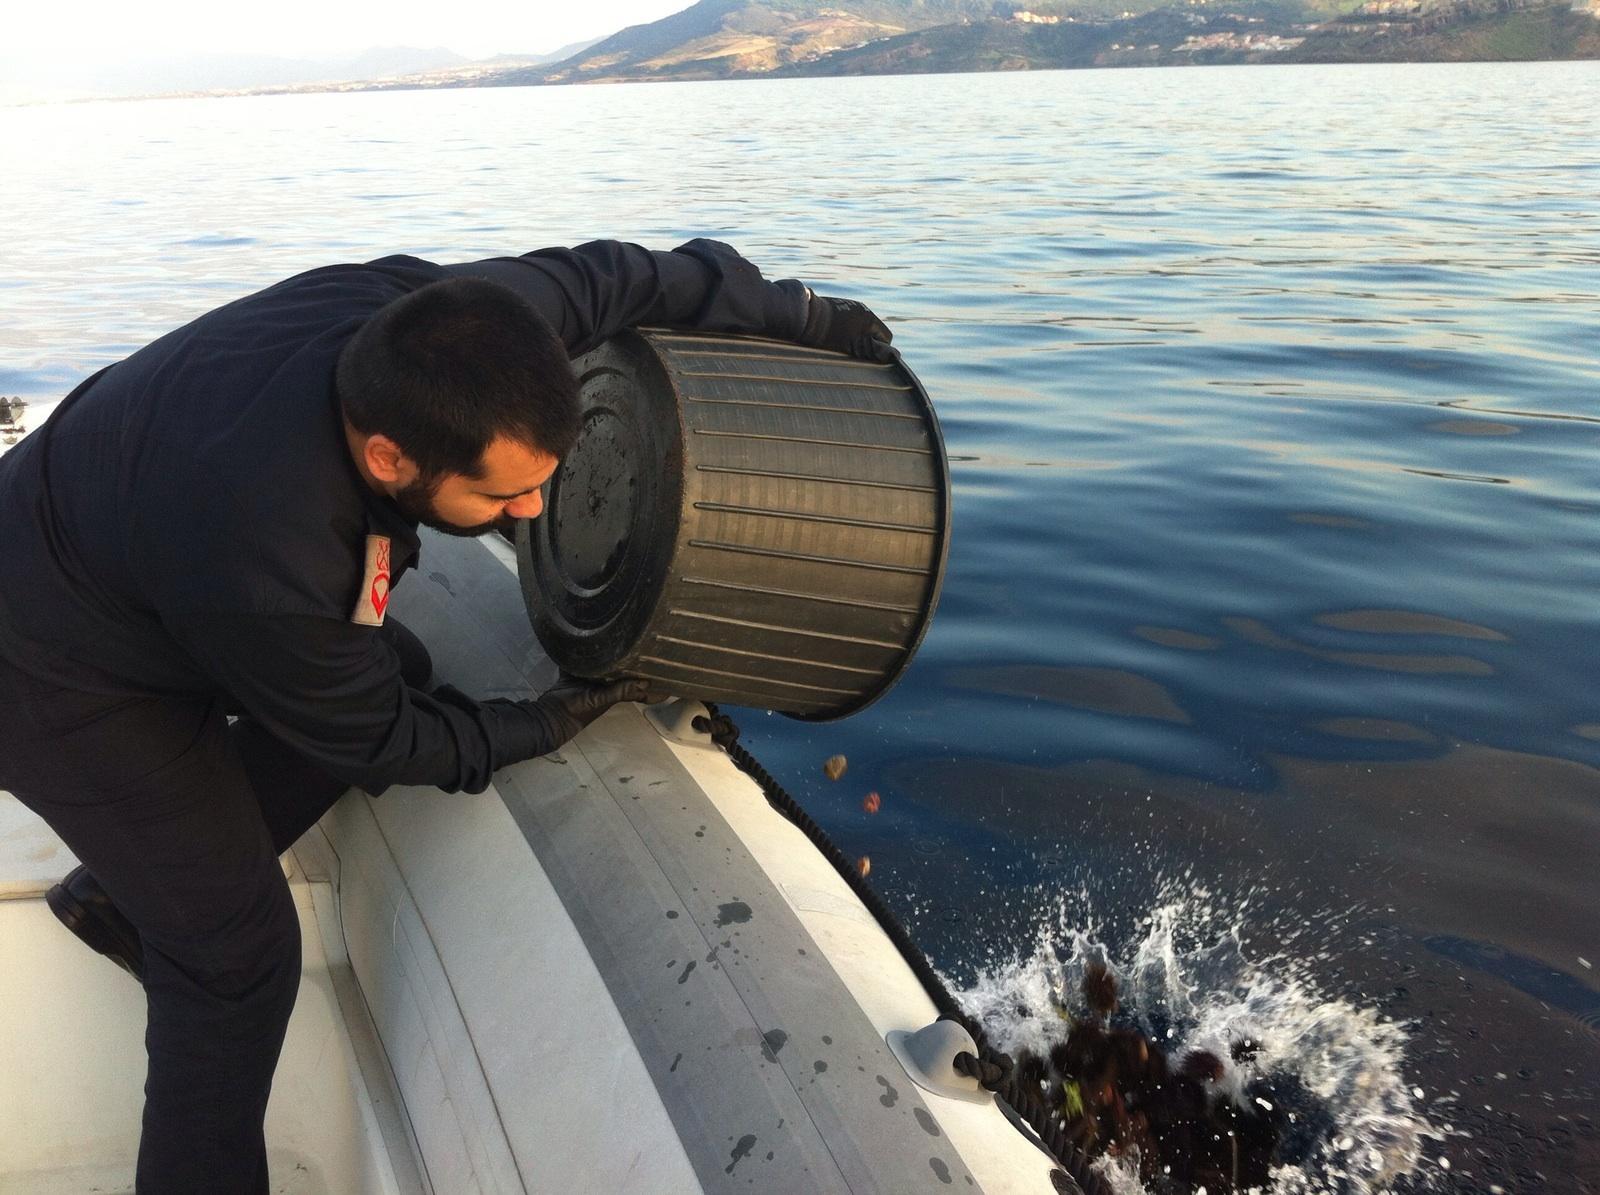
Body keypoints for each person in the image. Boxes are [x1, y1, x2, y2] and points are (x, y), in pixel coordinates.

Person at [0, 238, 893, 1193]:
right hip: (48, 672)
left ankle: (122, 898)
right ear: (388, 457)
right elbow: (384, 739)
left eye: (544, 476)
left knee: (403, 665)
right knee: (237, 961)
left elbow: (624, 275)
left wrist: (805, 313)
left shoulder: (460, 324)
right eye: (505, 492)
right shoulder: (274, 552)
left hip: (125, 547)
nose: (537, 508)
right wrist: (545, 723)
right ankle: (160, 937)